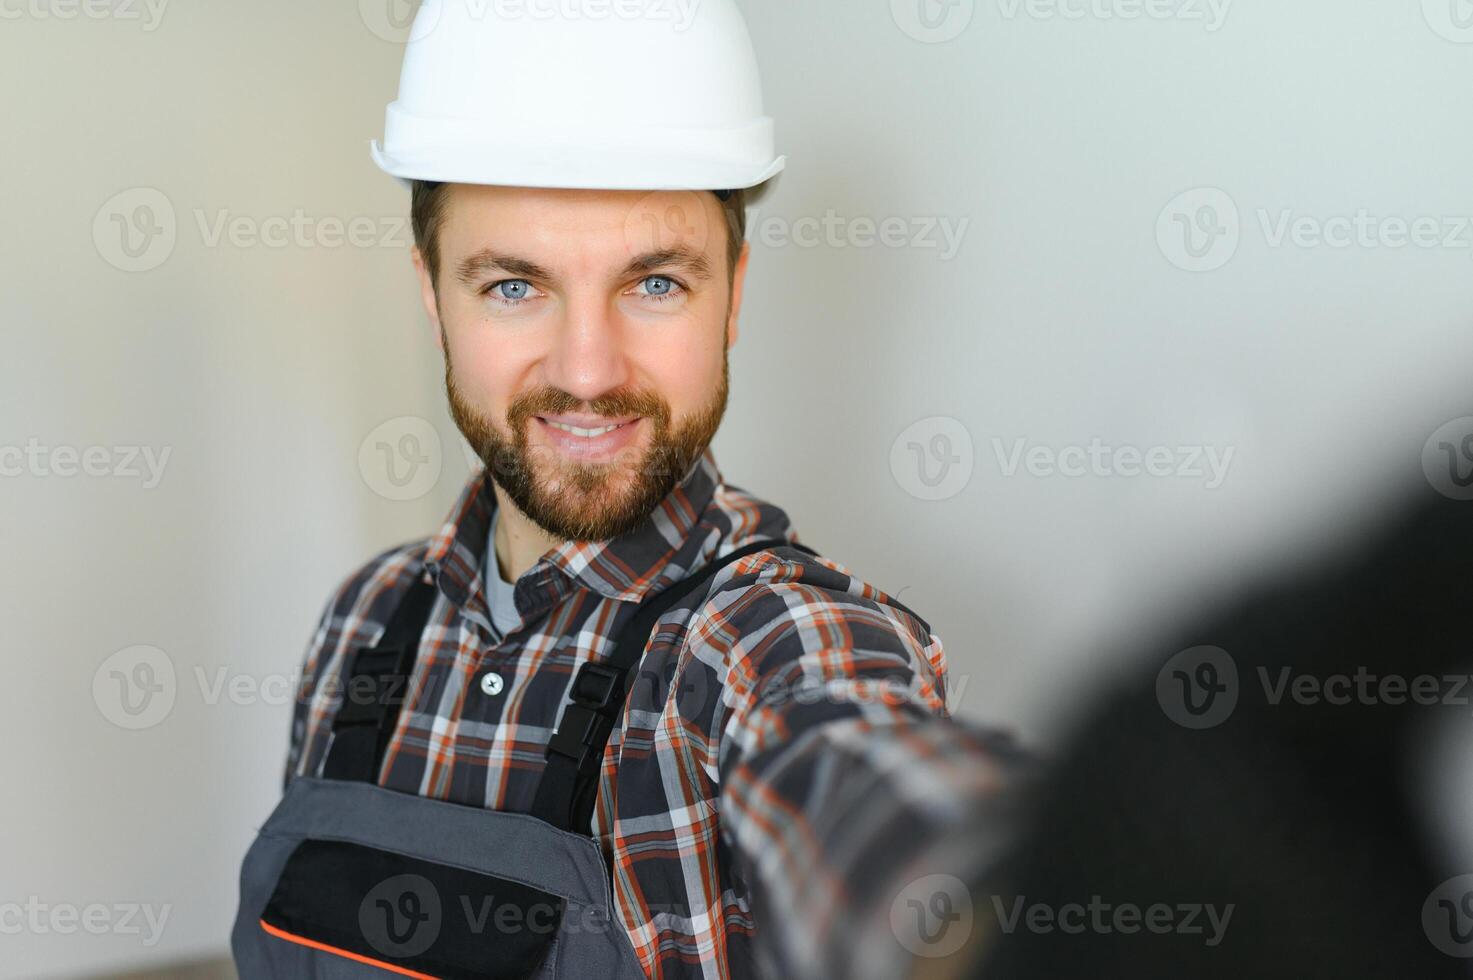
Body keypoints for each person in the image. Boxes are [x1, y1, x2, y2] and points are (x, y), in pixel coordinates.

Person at [230, 3, 1023, 978]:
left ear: (733, 290)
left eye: (653, 283)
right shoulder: (361, 622)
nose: (590, 368)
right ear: (433, 295)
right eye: (514, 286)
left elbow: (896, 828)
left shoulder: (770, 645)